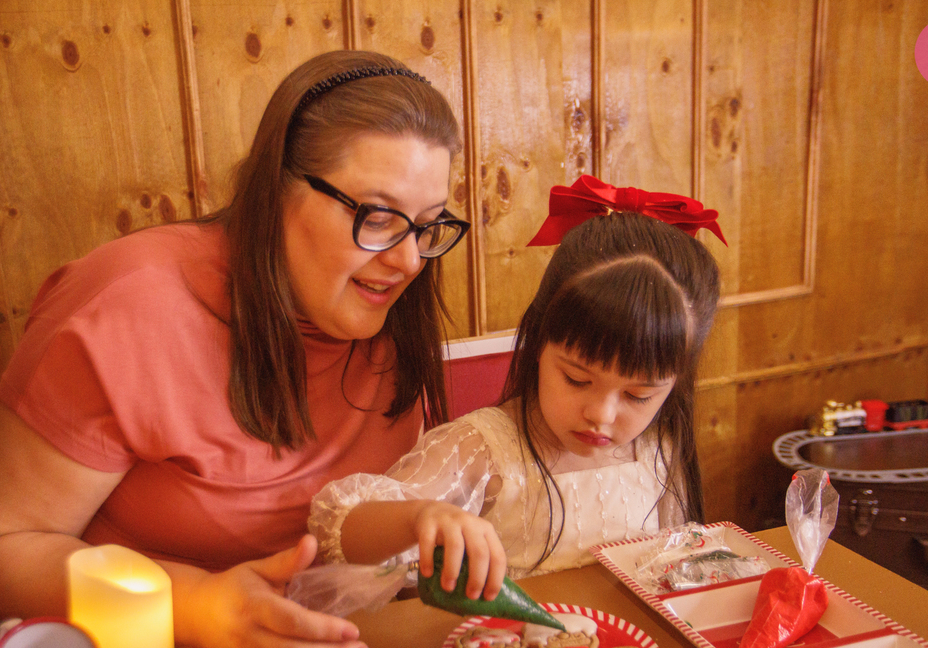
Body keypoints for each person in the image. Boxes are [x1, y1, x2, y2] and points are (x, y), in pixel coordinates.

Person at [0, 50, 470, 648]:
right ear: (277, 189)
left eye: (429, 227)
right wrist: (195, 607)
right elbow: (0, 553)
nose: (408, 261)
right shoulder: (130, 306)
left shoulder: (387, 308)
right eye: (376, 217)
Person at [308, 176, 723, 601]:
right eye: (577, 379)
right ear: (539, 343)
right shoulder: (483, 451)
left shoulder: (657, 448)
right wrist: (418, 517)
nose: (602, 414)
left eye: (639, 396)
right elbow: (339, 529)